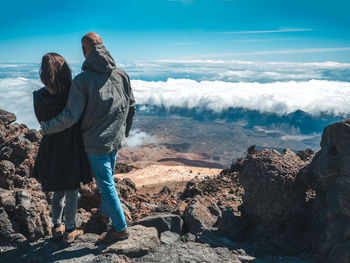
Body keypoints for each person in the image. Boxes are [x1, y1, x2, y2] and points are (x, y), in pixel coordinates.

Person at [41, 32, 136, 244]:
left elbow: (70, 117)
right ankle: (104, 210)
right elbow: (131, 107)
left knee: (106, 185)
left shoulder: (83, 81)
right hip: (115, 141)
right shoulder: (122, 74)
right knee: (108, 179)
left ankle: (119, 228)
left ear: (85, 51)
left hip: (96, 145)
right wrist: (123, 133)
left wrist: (47, 127)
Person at [32, 53, 93, 244]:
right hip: (72, 146)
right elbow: (78, 116)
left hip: (51, 147)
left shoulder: (39, 96)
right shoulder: (72, 93)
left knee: (58, 189)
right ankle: (71, 229)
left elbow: (41, 121)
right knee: (72, 189)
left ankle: (56, 226)